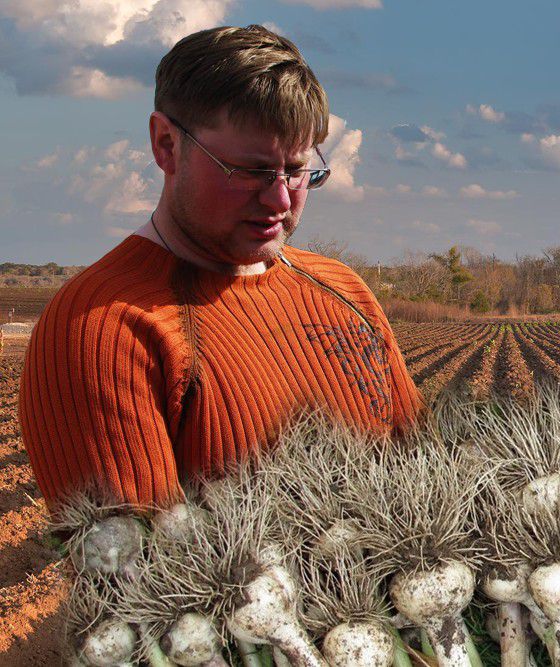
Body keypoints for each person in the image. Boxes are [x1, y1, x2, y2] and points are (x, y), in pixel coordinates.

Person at [18, 25, 424, 510]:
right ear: (166, 145)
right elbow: (138, 573)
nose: (279, 199)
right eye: (249, 171)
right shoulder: (103, 330)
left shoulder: (344, 291)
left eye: (296, 171)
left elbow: (419, 475)